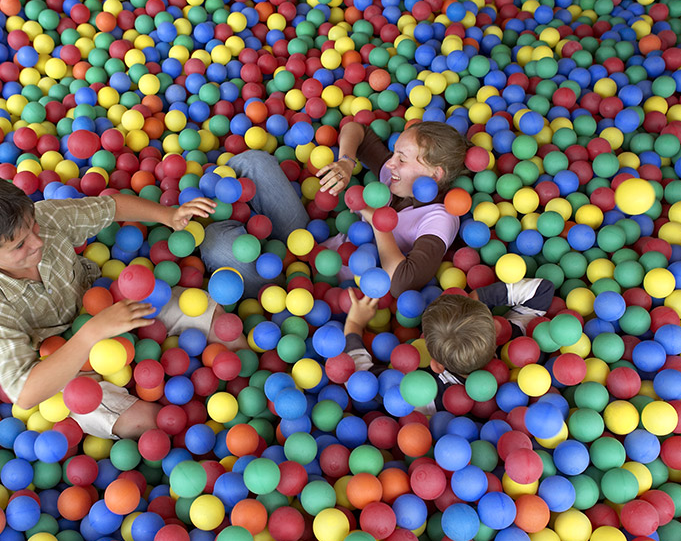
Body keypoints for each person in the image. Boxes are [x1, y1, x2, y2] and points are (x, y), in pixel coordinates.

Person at [0, 170, 241, 440]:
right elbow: (25, 393)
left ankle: (241, 386)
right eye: (19, 246)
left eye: (33, 227)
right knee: (149, 423)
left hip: (104, 299)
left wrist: (167, 215)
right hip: (60, 358)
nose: (37, 242)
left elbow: (111, 206)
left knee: (220, 324)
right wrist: (91, 334)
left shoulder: (47, 217)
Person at [199, 120, 469, 299]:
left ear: (435, 174)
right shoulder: (395, 176)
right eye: (394, 153)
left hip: (312, 291)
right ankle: (230, 220)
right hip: (310, 244)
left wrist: (377, 221)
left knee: (215, 245)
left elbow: (402, 283)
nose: (390, 164)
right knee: (253, 162)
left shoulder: (439, 219)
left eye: (402, 158)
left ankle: (247, 253)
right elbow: (357, 129)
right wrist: (346, 163)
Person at [342, 277, 555, 415]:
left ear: (436, 365)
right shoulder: (516, 340)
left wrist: (354, 324)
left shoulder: (428, 396)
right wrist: (480, 297)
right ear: (495, 330)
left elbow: (361, 377)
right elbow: (543, 290)